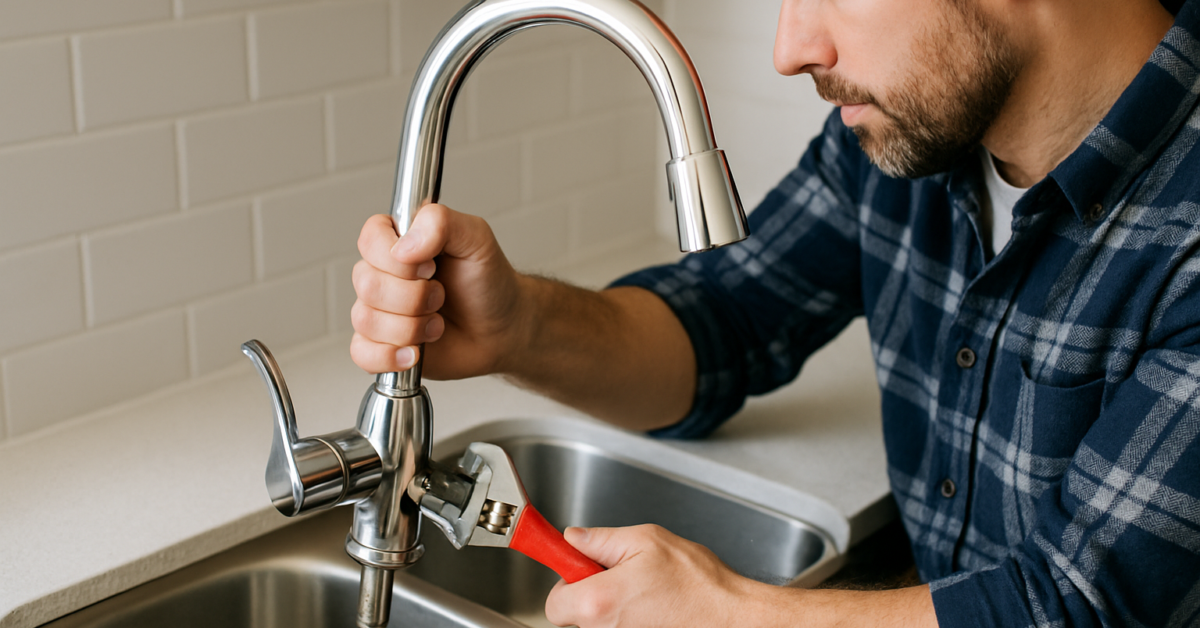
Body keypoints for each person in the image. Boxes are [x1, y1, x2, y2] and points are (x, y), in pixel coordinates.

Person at [349, 0, 1200, 625]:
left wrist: (732, 615)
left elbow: (1081, 608)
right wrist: (519, 328)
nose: (792, 50)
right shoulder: (913, 135)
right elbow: (722, 324)